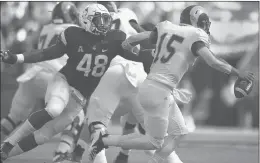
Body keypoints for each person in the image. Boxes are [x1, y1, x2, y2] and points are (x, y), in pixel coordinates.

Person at [87, 5, 255, 163]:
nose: (205, 25)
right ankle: (104, 141)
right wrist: (238, 72)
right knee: (154, 142)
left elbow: (137, 37)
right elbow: (213, 62)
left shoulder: (166, 27)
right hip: (159, 91)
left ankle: (156, 160)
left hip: (155, 88)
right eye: (203, 21)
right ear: (194, 21)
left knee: (180, 131)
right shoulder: (194, 36)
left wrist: (127, 47)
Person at [0, 3, 139, 162]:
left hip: (78, 97)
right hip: (64, 82)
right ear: (85, 20)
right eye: (98, 20)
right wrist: (17, 58)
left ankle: (5, 154)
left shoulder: (114, 38)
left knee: (44, 135)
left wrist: (154, 55)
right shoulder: (74, 34)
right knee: (54, 109)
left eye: (105, 20)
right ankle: (8, 143)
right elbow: (47, 53)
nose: (103, 24)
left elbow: (137, 56)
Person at [0, 2, 80, 142]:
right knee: (76, 114)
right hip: (53, 76)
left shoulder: (46, 28)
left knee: (12, 118)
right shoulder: (75, 30)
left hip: (31, 75)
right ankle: (64, 152)